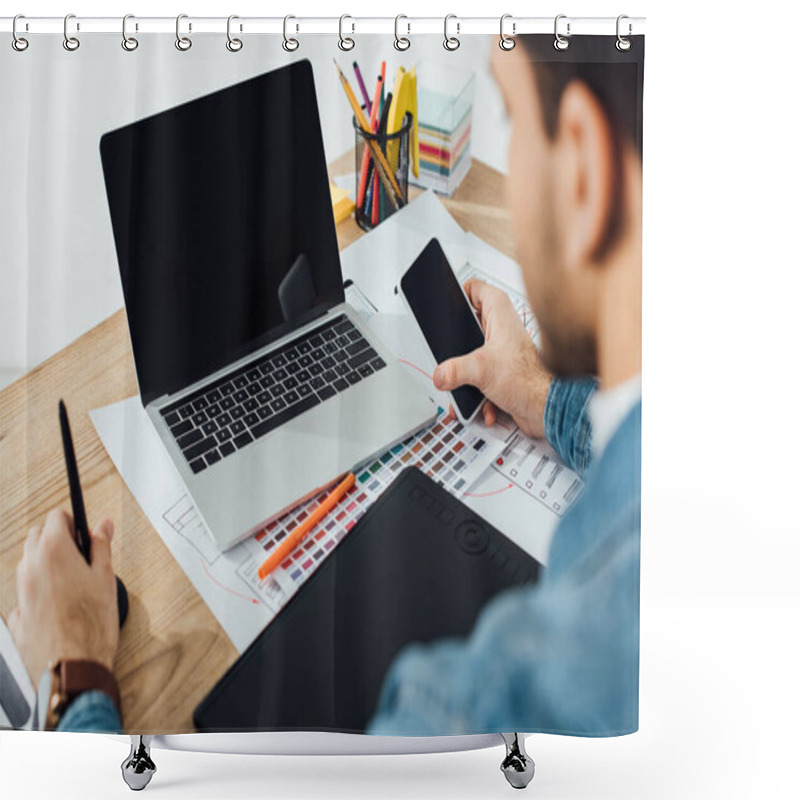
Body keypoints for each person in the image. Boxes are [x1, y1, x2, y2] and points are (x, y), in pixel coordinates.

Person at [7, 34, 641, 735]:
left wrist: (74, 675)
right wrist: (547, 398)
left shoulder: (480, 700)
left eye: (515, 124)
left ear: (584, 162)